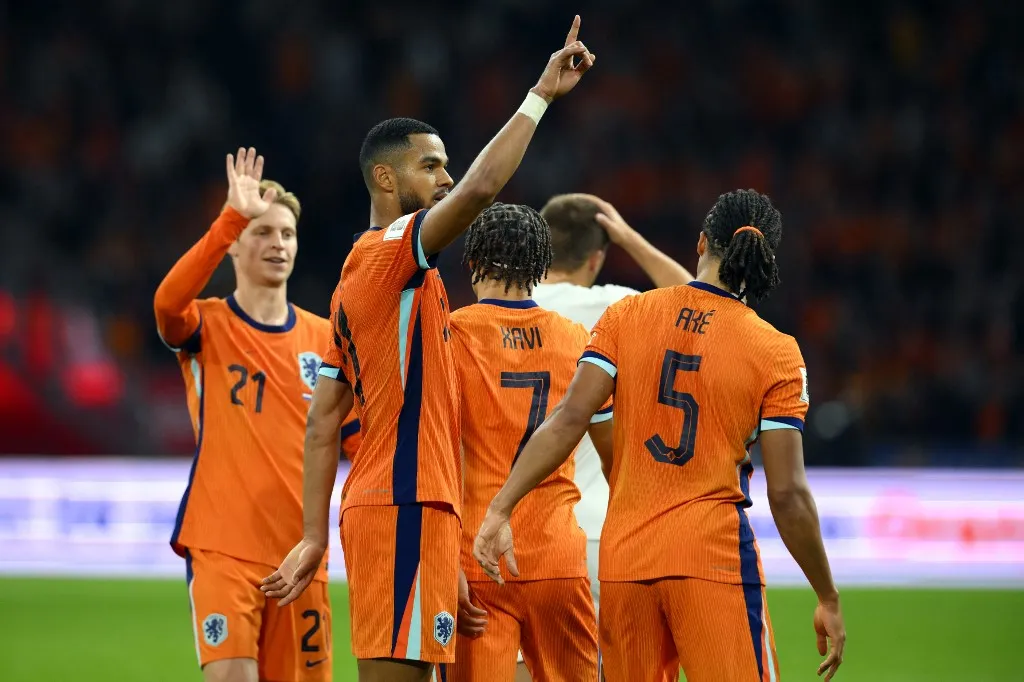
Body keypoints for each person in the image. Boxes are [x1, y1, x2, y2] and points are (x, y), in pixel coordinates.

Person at [260, 16, 596, 682]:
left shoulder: (375, 281)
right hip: (403, 507)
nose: (445, 176)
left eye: (445, 163)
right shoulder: (390, 256)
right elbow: (480, 191)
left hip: (420, 514)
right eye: (430, 164)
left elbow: (325, 418)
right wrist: (539, 97)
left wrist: (313, 534)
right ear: (386, 181)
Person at [474, 189, 847, 682]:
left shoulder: (628, 316)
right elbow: (788, 493)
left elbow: (567, 419)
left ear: (700, 244)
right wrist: (827, 595)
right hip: (711, 557)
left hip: (625, 559)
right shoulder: (776, 352)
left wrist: (500, 508)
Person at [155, 147, 358, 682]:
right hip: (222, 543)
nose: (278, 244)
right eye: (263, 232)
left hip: (300, 554)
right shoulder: (208, 324)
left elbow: (359, 439)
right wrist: (229, 217)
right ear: (234, 246)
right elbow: (166, 306)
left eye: (287, 234)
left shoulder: (325, 338)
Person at [447, 203, 611, 682]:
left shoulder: (450, 334)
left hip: (475, 555)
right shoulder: (578, 339)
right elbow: (612, 455)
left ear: (474, 262)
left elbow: (433, 453)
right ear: (541, 266)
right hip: (557, 554)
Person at [531, 193, 693, 617]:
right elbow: (698, 303)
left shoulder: (500, 306)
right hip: (593, 523)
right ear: (595, 258)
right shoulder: (614, 307)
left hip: (508, 525)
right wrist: (631, 239)